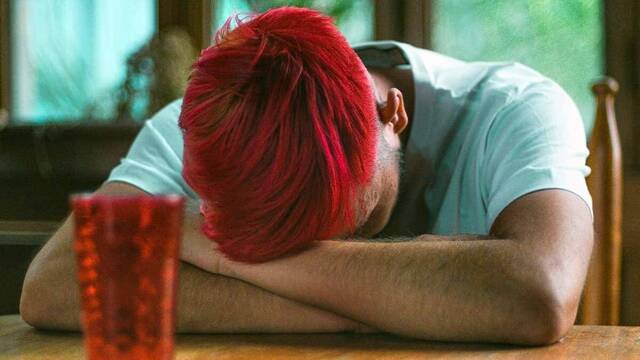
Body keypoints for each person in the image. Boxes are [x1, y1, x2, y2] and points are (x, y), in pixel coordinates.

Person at [20, 7, 593, 345]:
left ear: (392, 112)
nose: (340, 252)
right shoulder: (209, 124)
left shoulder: (517, 109)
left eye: (360, 219)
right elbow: (55, 287)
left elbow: (537, 292)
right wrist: (398, 302)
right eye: (278, 245)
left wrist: (227, 257)